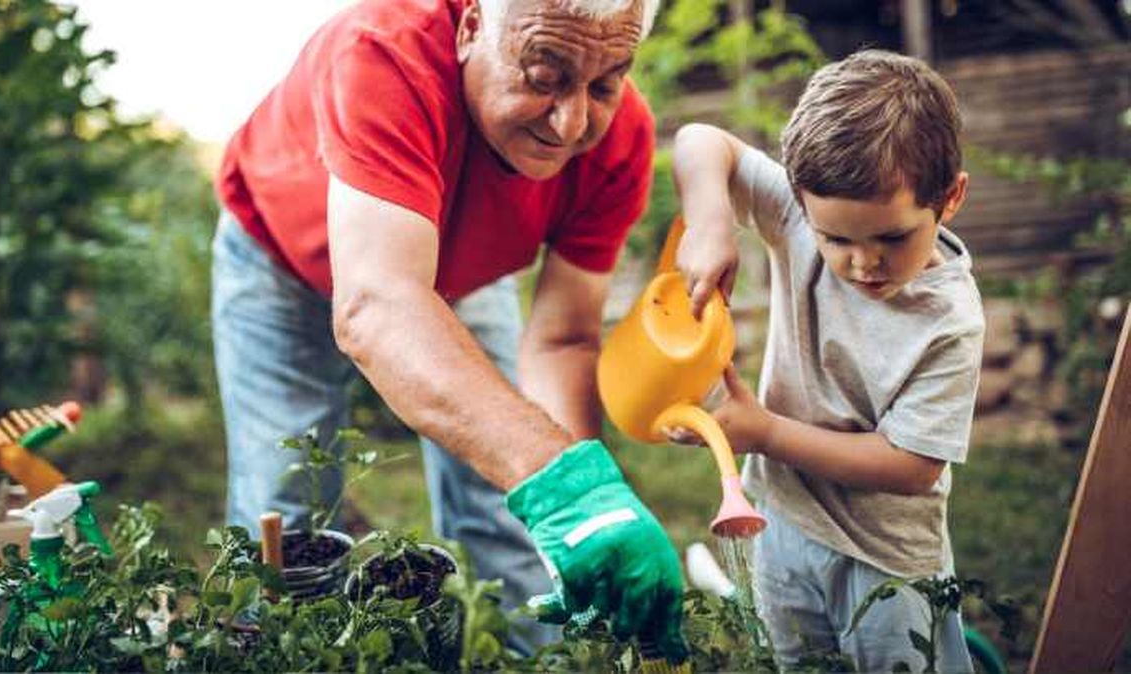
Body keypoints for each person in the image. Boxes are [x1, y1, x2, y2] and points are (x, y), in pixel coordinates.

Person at [211, 0, 686, 659]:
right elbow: (377, 306)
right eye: (544, 76)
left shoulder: (620, 139)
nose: (572, 122)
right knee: (289, 515)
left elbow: (563, 340)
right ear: (470, 29)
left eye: (604, 83)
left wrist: (585, 502)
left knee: (513, 507)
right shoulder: (383, 55)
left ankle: (542, 658)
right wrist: (555, 481)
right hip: (280, 259)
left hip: (460, 274)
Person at [668, 49, 983, 672]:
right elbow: (700, 140)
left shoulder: (948, 320)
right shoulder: (793, 212)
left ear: (949, 199)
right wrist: (710, 221)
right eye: (835, 239)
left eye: (892, 238)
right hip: (782, 522)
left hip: (885, 558)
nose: (863, 264)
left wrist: (765, 432)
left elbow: (912, 465)